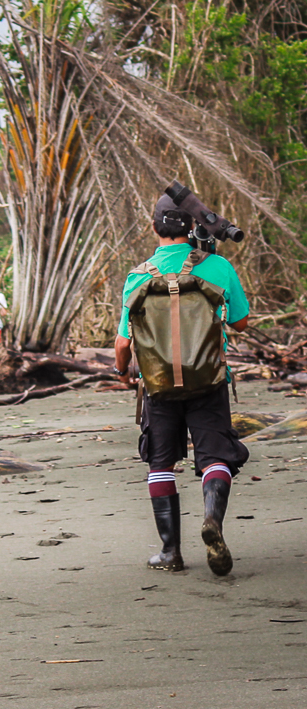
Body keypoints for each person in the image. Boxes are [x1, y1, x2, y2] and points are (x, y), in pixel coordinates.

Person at [114, 194, 250, 575]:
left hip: (157, 385)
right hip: (208, 379)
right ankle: (212, 521)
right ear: (192, 227)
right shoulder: (218, 267)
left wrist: (122, 372)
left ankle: (170, 552)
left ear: (154, 227)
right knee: (216, 457)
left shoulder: (138, 276)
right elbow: (240, 322)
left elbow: (124, 342)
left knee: (161, 462)